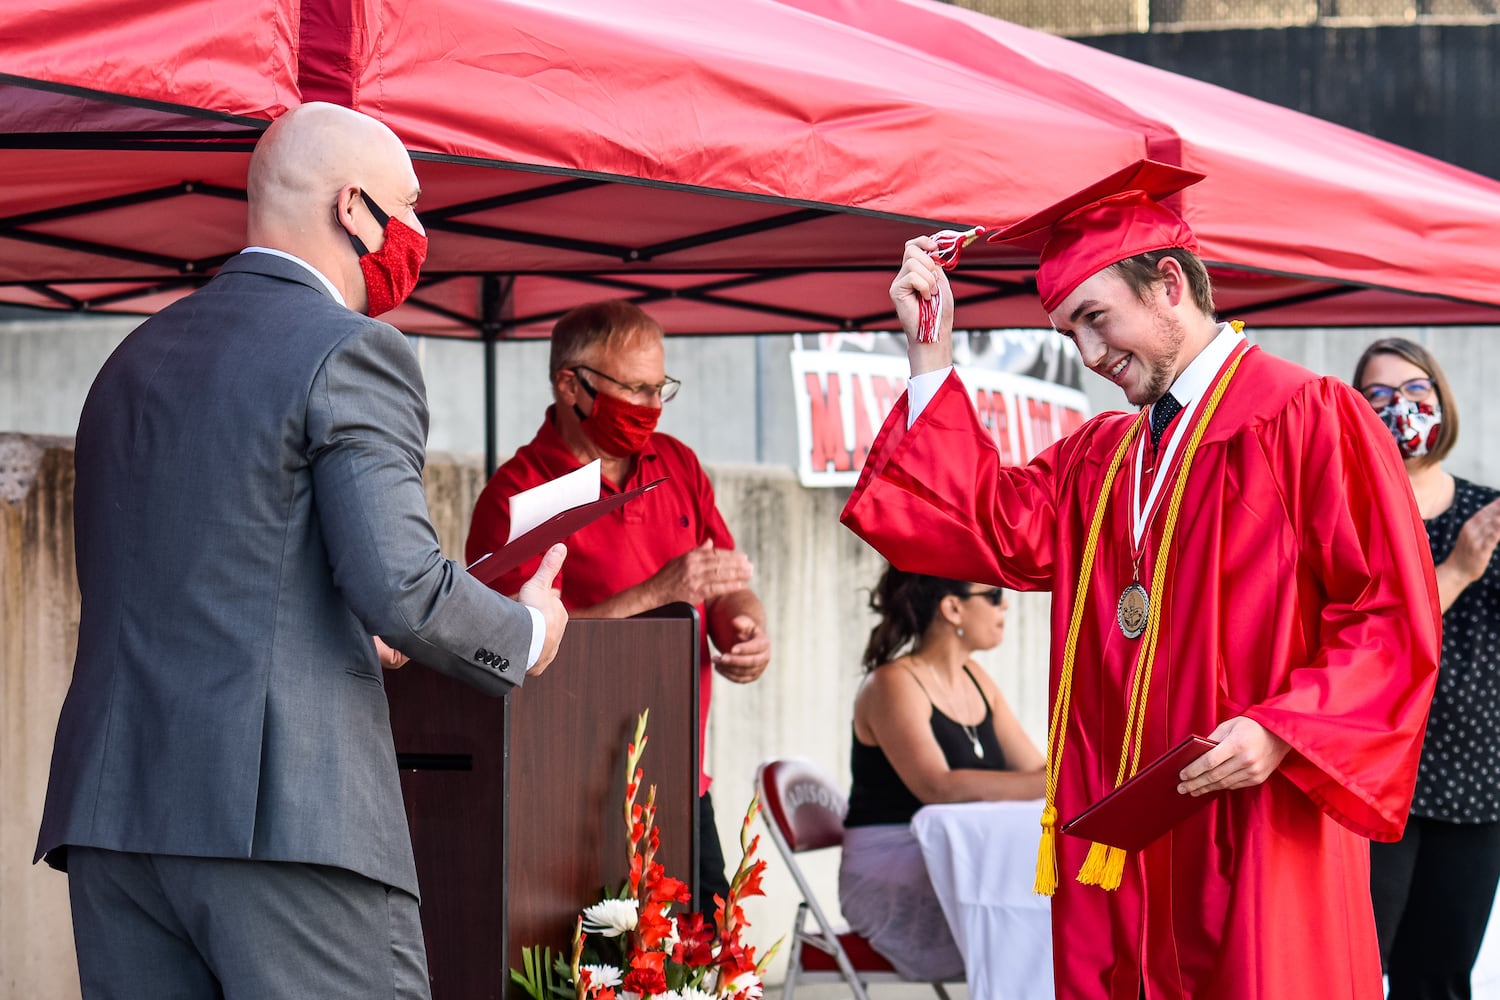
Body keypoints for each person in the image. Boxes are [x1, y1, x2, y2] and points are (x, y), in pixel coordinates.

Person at [840, 159, 1440, 999]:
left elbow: (1388, 616)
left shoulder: (1307, 418)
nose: (1088, 354)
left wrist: (1281, 731)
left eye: (1095, 318)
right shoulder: (1104, 456)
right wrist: (931, 352)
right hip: (1121, 839)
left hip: (1254, 818)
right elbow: (975, 525)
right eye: (1068, 334)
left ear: (1168, 284)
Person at [34, 102, 569, 1000]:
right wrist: (528, 632)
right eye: (410, 207)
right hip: (283, 815)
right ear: (353, 208)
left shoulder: (132, 358)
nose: (419, 233)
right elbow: (400, 584)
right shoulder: (355, 351)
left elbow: (208, 573)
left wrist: (335, 634)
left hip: (112, 811)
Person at [465, 299, 770, 914]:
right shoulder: (517, 495)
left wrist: (746, 627)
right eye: (633, 388)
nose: (650, 407)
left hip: (684, 770)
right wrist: (655, 594)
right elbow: (506, 644)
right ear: (569, 383)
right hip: (570, 787)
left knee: (709, 961)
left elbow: (723, 578)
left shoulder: (677, 463)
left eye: (660, 388)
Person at [1353, 337, 1500, 1000]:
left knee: (1439, 977)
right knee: (1352, 968)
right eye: (1379, 397)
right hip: (1373, 781)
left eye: (1416, 392)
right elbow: (1371, 640)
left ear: (1442, 401)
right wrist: (1459, 571)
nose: (1401, 408)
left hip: (1477, 783)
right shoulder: (1348, 515)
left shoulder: (1488, 510)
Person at [839, 566, 1044, 981]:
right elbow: (937, 786)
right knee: (1044, 915)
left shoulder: (976, 679)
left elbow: (1037, 769)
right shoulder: (892, 684)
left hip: (954, 862)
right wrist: (1061, 784)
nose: (1005, 604)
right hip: (893, 878)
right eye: (992, 595)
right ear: (952, 608)